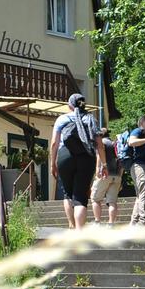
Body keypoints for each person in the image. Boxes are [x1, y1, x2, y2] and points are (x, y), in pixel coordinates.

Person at [49, 93, 106, 229]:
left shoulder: (62, 119)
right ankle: (80, 231)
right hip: (86, 157)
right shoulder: (91, 119)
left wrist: (53, 164)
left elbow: (54, 143)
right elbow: (100, 145)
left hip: (64, 156)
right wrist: (104, 164)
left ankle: (71, 225)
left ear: (70, 105)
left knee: (67, 193)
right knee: (80, 196)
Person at [90, 128, 122, 225]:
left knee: (95, 199)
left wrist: (98, 170)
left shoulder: (101, 142)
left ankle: (97, 222)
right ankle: (111, 223)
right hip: (116, 175)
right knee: (112, 201)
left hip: (105, 174)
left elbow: (100, 155)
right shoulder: (115, 144)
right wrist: (120, 175)